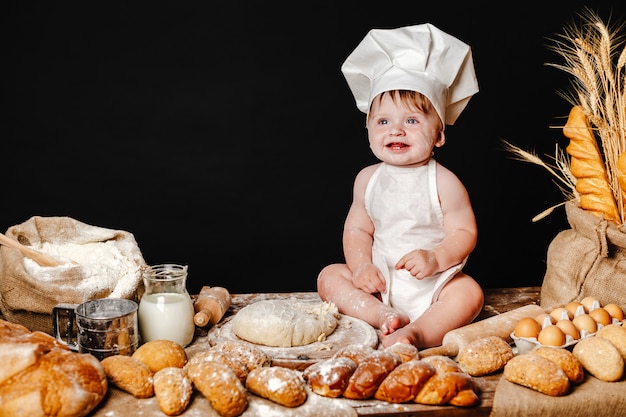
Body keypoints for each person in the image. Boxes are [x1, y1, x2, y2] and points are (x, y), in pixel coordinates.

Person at [317, 23, 484, 349]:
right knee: (329, 276)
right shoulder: (367, 179)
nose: (396, 130)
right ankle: (382, 315)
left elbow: (465, 233)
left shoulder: (444, 182)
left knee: (469, 293)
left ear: (438, 135)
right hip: (378, 282)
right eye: (383, 121)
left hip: (434, 284)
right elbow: (357, 230)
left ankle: (417, 332)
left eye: (411, 121)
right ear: (368, 132)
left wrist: (436, 258)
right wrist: (362, 265)